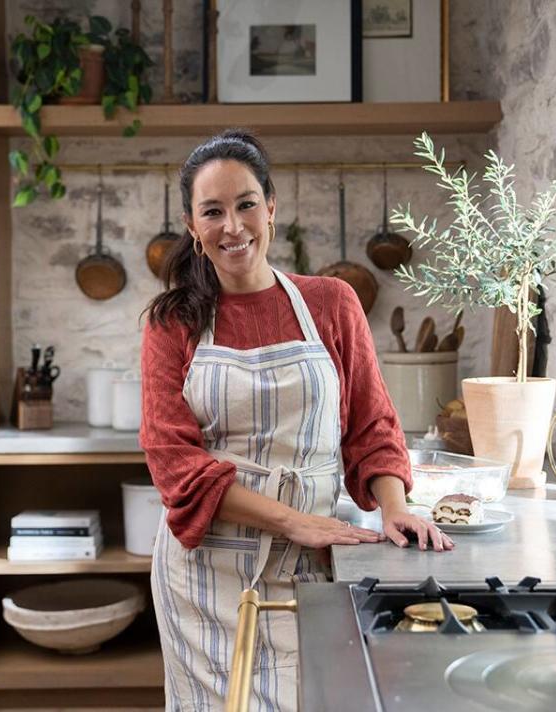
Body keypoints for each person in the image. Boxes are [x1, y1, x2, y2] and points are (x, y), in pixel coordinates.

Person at [139, 130, 453, 711]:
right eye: (213, 211)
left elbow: (371, 423)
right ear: (192, 225)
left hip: (312, 559)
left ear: (272, 207)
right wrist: (292, 521)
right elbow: (175, 464)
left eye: (246, 204)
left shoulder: (332, 301)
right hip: (206, 572)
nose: (232, 226)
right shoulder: (172, 321)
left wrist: (395, 508)